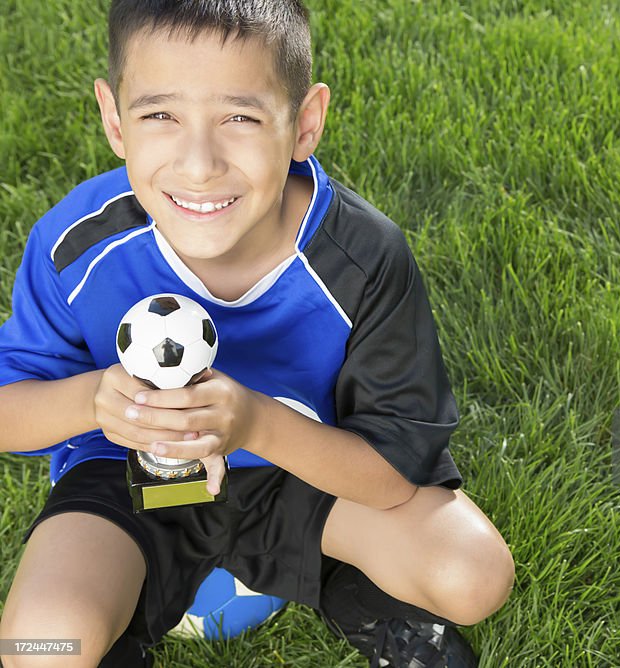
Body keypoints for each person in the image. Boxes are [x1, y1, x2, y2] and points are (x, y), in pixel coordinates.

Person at [0, 1, 514, 666]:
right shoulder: (76, 245)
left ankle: (351, 593)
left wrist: (250, 424)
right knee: (39, 645)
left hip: (297, 470)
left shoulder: (361, 257)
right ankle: (120, 622)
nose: (199, 163)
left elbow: (393, 475)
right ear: (113, 118)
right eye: (160, 115)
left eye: (239, 118)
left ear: (303, 124)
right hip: (129, 476)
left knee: (472, 573)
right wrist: (97, 399)